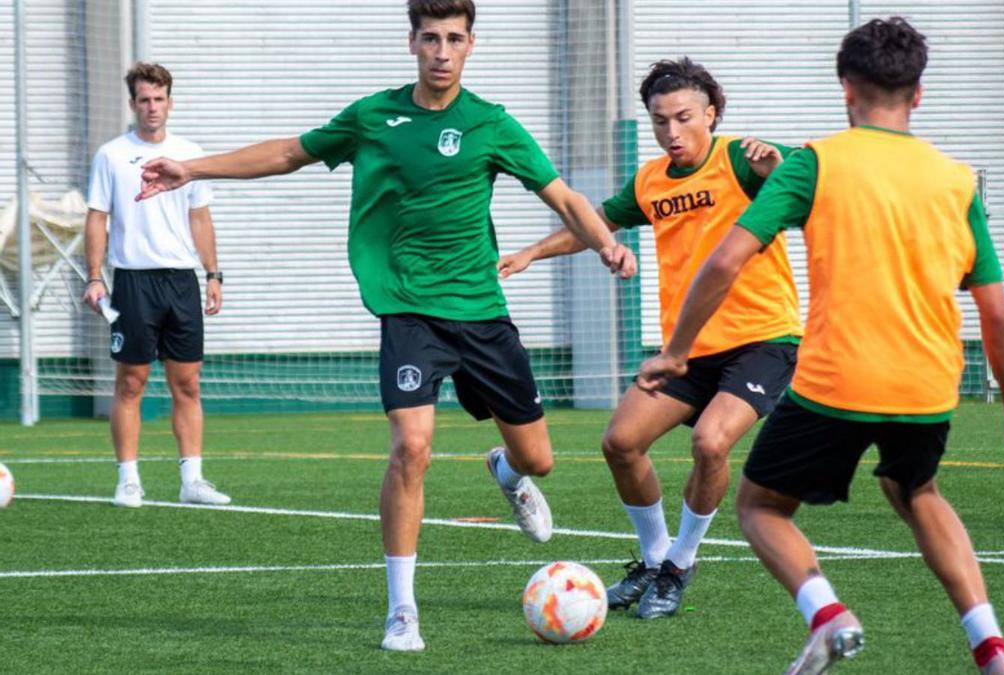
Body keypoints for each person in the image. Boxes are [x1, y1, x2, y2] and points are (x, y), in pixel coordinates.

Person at [135, 0, 634, 652]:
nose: (442, 51)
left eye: (454, 38)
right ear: (413, 42)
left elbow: (563, 195)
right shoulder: (375, 116)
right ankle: (402, 609)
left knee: (538, 456)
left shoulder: (491, 123)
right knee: (411, 446)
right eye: (431, 38)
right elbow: (290, 152)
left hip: (483, 313)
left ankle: (509, 475)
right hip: (408, 311)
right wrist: (190, 167)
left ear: (470, 45)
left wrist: (603, 243)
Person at [638, 18, 1004, 675]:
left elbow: (725, 261)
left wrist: (675, 350)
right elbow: (998, 314)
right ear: (918, 93)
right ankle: (994, 648)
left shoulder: (815, 162)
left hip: (838, 379)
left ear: (846, 89)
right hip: (927, 383)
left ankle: (829, 616)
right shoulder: (953, 181)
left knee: (759, 506)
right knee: (916, 490)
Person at [498, 57, 800, 620]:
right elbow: (597, 221)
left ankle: (681, 564)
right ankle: (654, 558)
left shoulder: (744, 159)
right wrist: (534, 252)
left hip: (763, 338)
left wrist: (775, 170)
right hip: (686, 350)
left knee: (711, 443)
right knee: (620, 442)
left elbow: (797, 188)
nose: (671, 131)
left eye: (684, 118)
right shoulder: (651, 179)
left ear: (710, 113)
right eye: (660, 121)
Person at [82, 62, 230, 510]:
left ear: (170, 102)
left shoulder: (188, 154)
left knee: (188, 383)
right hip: (132, 281)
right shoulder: (111, 155)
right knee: (131, 382)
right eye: (144, 99)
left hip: (181, 281)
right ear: (133, 104)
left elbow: (200, 218)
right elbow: (97, 218)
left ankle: (193, 480)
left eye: (159, 99)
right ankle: (128, 480)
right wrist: (94, 276)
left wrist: (213, 274)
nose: (152, 107)